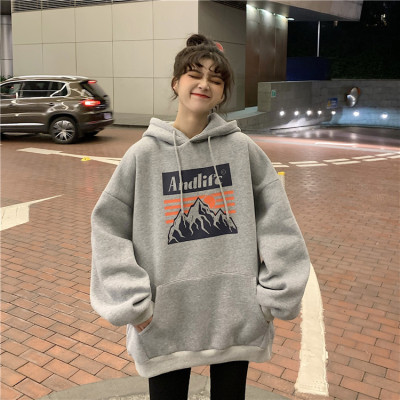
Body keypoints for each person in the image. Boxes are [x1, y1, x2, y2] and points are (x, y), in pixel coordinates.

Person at [90, 34, 310, 400]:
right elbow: (107, 227)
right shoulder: (143, 155)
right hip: (165, 320)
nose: (205, 84)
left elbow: (278, 223)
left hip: (236, 313)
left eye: (216, 79)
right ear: (176, 83)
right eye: (195, 74)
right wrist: (135, 304)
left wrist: (273, 295)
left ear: (222, 94)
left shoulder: (242, 150)